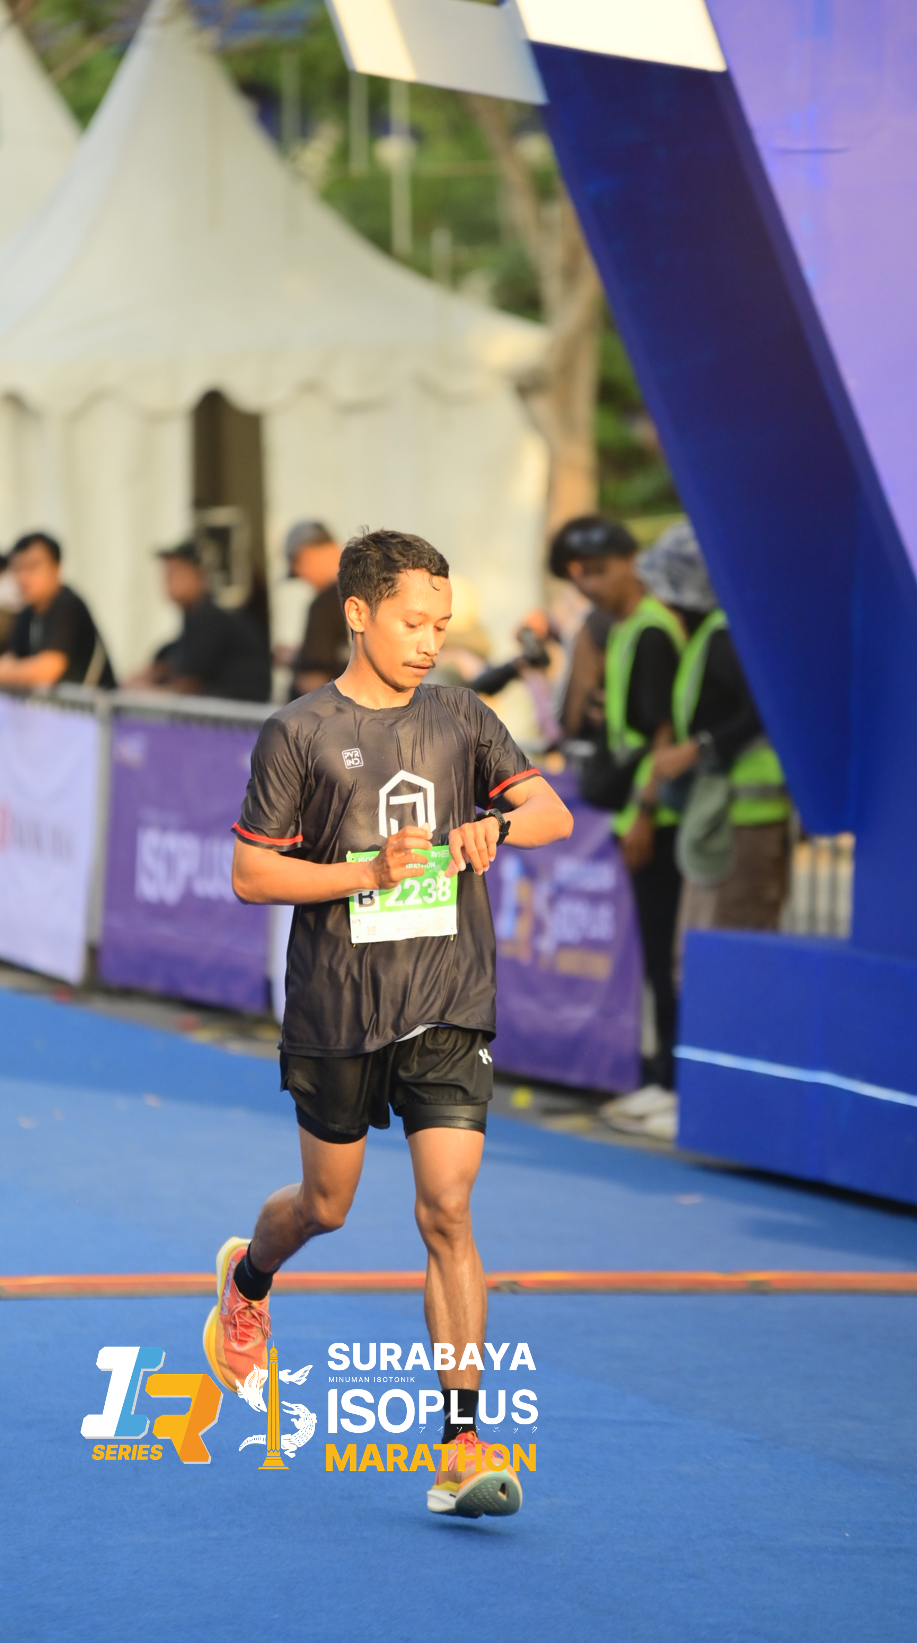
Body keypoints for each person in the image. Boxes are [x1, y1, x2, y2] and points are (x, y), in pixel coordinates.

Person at [204, 529, 572, 1520]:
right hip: (338, 1003)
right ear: (358, 613)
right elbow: (251, 874)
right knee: (326, 1206)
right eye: (413, 621)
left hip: (449, 997)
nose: (430, 641)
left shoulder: (462, 715)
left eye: (441, 624)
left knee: (447, 1208)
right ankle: (248, 1277)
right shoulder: (299, 731)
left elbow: (553, 815)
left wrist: (494, 825)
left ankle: (461, 1444)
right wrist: (367, 871)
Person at [549, 516, 684, 1114]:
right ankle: (662, 1074)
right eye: (579, 576)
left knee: (665, 951)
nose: (589, 586)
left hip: (658, 814)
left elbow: (662, 731)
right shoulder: (624, 629)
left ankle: (673, 1082)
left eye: (600, 571)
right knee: (651, 952)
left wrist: (646, 812)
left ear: (632, 562)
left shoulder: (651, 630)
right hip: (640, 808)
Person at [645, 521, 790, 941]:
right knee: (706, 939)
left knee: (731, 942)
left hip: (746, 815)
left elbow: (762, 709)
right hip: (726, 809)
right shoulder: (717, 634)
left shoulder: (725, 636)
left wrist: (697, 748)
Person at [0, 532, 114, 696]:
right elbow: (12, 659)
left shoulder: (66, 604)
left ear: (57, 568)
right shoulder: (27, 613)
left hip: (97, 709)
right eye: (17, 569)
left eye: (32, 567)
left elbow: (49, 668)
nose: (23, 577)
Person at [131, 539, 271, 702]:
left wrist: (149, 692)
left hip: (236, 714)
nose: (167, 582)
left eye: (176, 573)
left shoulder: (209, 619)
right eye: (166, 574)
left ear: (199, 575)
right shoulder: (194, 620)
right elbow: (170, 662)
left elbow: (189, 684)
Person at [282, 520, 349, 695]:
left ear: (303, 556)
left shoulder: (324, 604)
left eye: (298, 571)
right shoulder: (369, 589)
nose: (304, 579)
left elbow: (312, 678)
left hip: (339, 709)